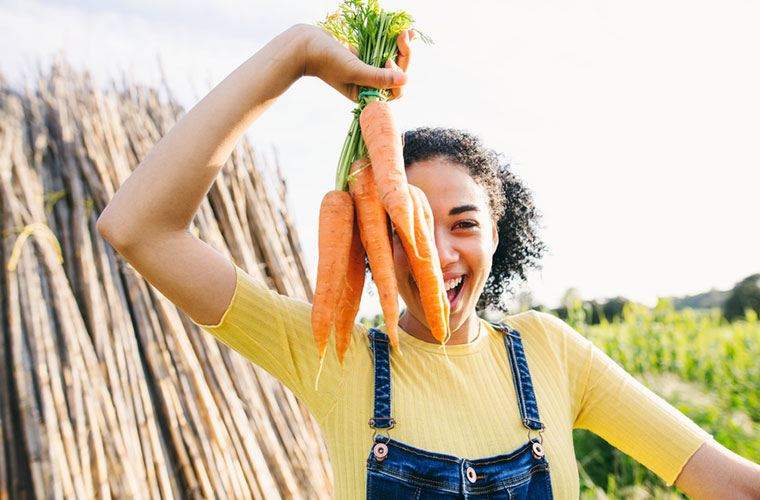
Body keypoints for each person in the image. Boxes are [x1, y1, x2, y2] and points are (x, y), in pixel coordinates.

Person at [96, 23, 760, 499]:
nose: (436, 252)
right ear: (367, 240)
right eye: (404, 224)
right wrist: (293, 54)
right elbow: (138, 229)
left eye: (464, 223)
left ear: (497, 234)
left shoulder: (551, 352)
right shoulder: (332, 353)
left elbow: (729, 482)